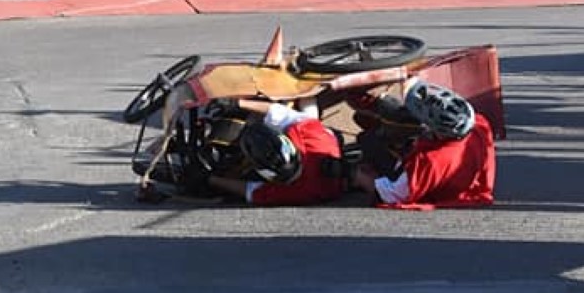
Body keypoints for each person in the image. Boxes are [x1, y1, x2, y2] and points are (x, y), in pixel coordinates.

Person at [353, 82, 495, 209]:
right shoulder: (479, 123)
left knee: (368, 141)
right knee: (392, 114)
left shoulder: (431, 162)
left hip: (431, 181)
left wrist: (361, 177)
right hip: (454, 171)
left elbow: (389, 195)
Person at [207, 100, 349, 207]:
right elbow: (277, 111)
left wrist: (211, 180)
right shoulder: (307, 132)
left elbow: (250, 190)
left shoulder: (300, 192)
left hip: (322, 170)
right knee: (305, 100)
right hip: (326, 139)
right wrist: (237, 103)